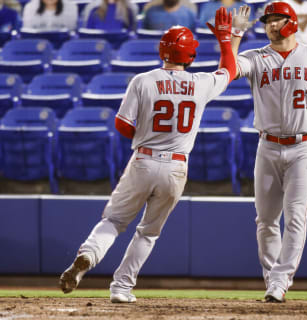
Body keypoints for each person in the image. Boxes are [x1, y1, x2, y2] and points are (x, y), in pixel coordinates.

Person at [59, 7, 237, 303]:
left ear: (162, 51)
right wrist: (225, 39)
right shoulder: (202, 83)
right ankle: (121, 287)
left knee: (114, 221)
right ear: (190, 55)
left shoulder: (142, 80)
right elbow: (230, 70)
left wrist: (145, 135)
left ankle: (88, 255)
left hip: (143, 159)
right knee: (148, 233)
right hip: (177, 167)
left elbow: (122, 124)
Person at [230, 2, 307, 302]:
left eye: (277, 19)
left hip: (304, 146)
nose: (270, 25)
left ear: (291, 22)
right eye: (267, 20)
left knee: (295, 217)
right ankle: (271, 278)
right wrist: (234, 36)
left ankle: (280, 281)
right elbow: (228, 70)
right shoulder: (255, 57)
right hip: (267, 145)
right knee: (265, 219)